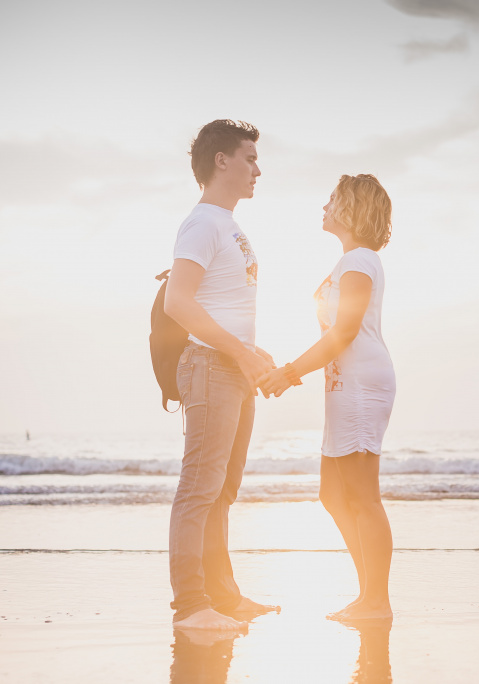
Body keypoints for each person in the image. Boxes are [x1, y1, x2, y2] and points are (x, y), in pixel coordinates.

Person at [259, 174, 396, 621]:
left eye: (332, 199)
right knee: (333, 494)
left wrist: (290, 373)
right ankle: (368, 594)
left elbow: (344, 332)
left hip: (361, 385)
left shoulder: (358, 261)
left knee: (362, 495)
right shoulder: (350, 261)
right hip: (345, 384)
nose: (324, 206)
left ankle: (376, 601)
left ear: (351, 209)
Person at [163, 119, 279, 631]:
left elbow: (221, 304)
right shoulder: (202, 224)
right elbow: (178, 302)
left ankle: (223, 597)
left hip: (232, 367)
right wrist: (238, 352)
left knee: (222, 492)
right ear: (221, 160)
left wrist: (251, 353)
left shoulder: (227, 225)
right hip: (210, 367)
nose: (258, 169)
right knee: (199, 489)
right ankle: (191, 605)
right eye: (250, 158)